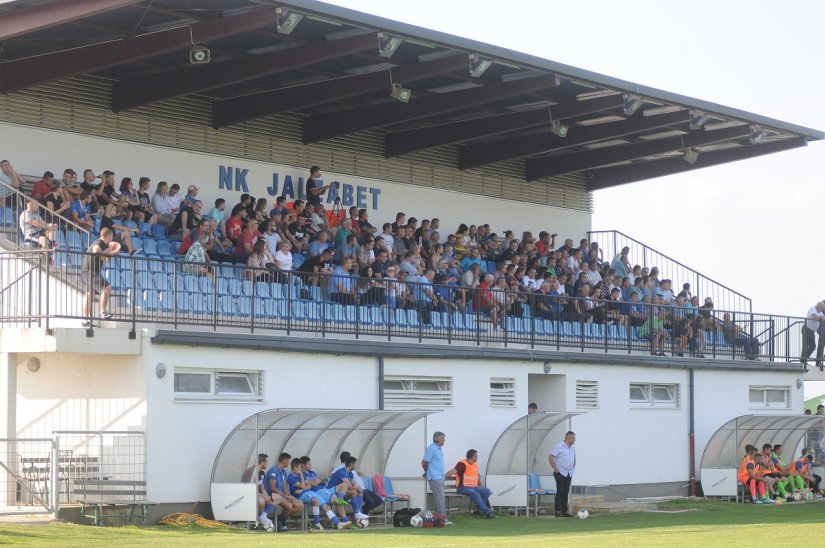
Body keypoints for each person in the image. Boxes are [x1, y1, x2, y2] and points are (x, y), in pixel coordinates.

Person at [81, 227, 119, 326]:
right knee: (107, 287)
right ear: (109, 235)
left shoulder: (104, 245)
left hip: (88, 271)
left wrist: (110, 251)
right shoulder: (99, 242)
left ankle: (85, 320)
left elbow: (104, 259)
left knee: (90, 295)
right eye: (112, 235)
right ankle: (102, 312)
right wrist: (110, 251)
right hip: (91, 271)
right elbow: (96, 250)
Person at [446, 449, 495, 519]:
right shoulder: (462, 463)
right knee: (476, 494)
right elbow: (454, 471)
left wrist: (480, 487)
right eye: (476, 456)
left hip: (474, 487)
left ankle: (479, 509)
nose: (477, 457)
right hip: (463, 487)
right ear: (473, 456)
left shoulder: (475, 465)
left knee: (487, 491)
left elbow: (478, 477)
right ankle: (488, 512)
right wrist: (443, 476)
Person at [265, 452, 303, 532]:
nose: (289, 463)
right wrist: (285, 496)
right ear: (284, 460)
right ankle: (283, 521)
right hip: (272, 495)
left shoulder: (284, 472)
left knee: (300, 505)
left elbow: (284, 486)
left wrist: (288, 495)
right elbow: (272, 488)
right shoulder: (274, 470)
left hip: (281, 495)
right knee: (289, 506)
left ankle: (281, 518)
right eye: (288, 461)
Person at [422, 431, 452, 524]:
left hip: (439, 477)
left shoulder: (438, 448)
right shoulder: (432, 448)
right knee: (440, 497)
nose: (444, 440)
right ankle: (442, 518)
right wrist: (427, 472)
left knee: (440, 497)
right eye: (443, 439)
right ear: (439, 439)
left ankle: (439, 517)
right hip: (435, 477)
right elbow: (424, 462)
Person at [242, 453, 275, 531]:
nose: (267, 463)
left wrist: (267, 496)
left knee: (277, 498)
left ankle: (263, 516)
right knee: (262, 501)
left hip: (256, 494)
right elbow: (249, 489)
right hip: (247, 494)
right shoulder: (251, 472)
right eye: (266, 461)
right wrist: (264, 497)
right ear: (262, 462)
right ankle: (259, 520)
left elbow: (262, 488)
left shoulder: (262, 473)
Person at [548, 430, 576, 517]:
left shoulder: (573, 448)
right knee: (560, 491)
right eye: (574, 438)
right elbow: (550, 456)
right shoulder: (559, 446)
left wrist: (572, 469)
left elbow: (574, 459)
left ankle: (565, 511)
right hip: (560, 472)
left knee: (566, 491)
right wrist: (556, 469)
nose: (575, 440)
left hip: (569, 473)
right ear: (569, 437)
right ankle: (557, 511)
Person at [801, 302, 825, 366]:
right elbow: (815, 317)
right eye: (822, 308)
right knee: (805, 345)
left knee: (813, 346)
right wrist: (820, 318)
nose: (822, 310)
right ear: (818, 306)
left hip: (812, 331)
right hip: (806, 329)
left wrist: (820, 317)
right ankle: (803, 360)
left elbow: (824, 318)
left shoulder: (819, 312)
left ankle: (804, 359)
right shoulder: (812, 309)